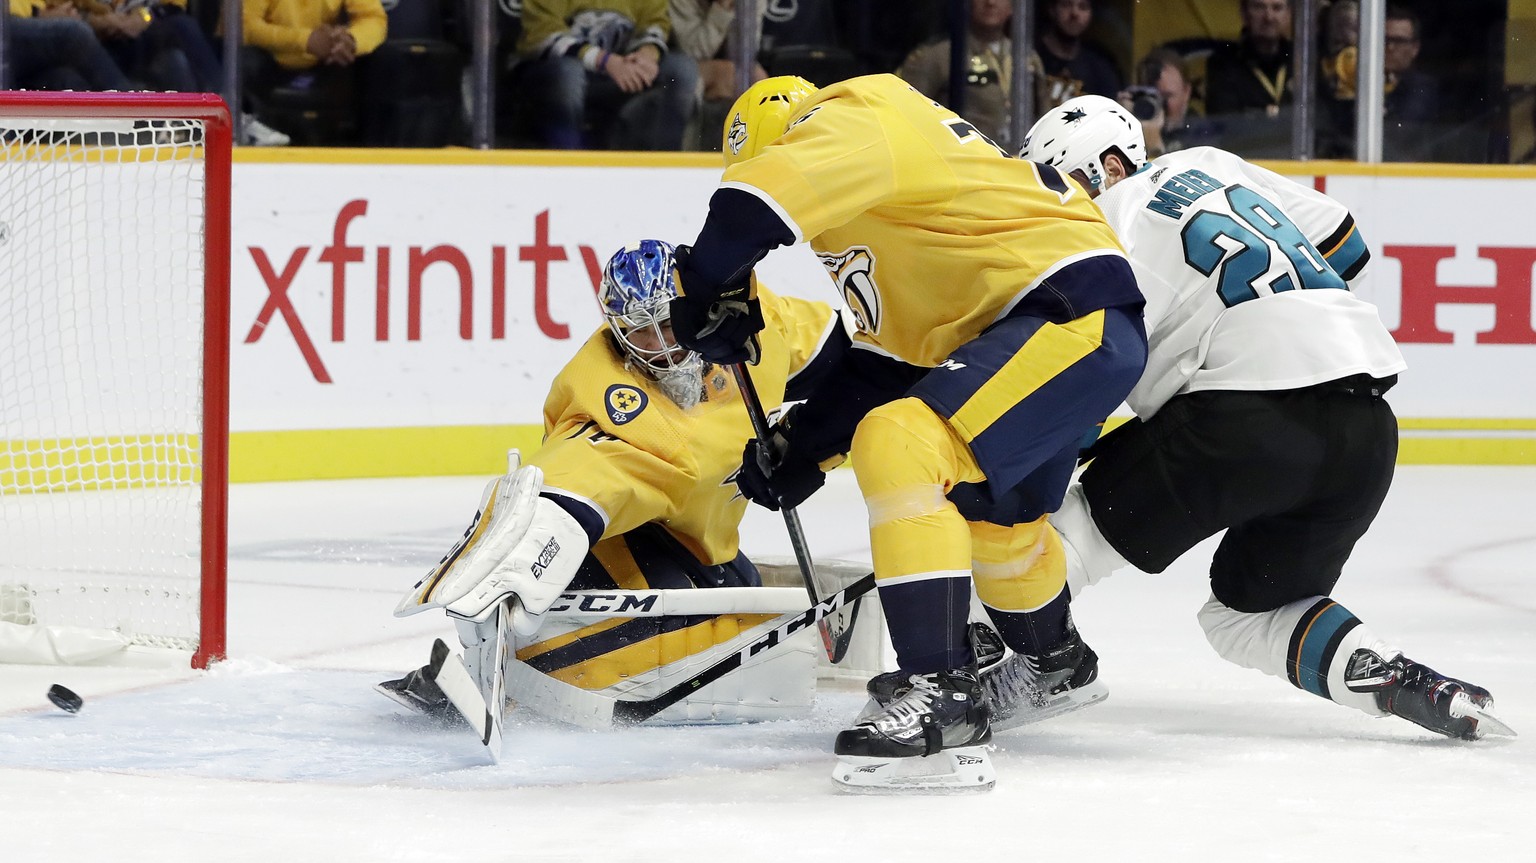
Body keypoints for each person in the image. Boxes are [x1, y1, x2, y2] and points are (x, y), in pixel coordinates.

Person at [669, 75, 1147, 789]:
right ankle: (1053, 661)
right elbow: (891, 364)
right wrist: (803, 448)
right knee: (994, 517)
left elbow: (752, 206)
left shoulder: (857, 114)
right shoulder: (897, 214)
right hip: (1056, 325)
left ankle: (940, 693)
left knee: (898, 442)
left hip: (1061, 311)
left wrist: (709, 283)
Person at [1019, 95, 1512, 741]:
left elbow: (1096, 366)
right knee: (1249, 613)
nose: (1058, 197)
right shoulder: (1209, 161)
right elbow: (1347, 243)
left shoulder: (1108, 219)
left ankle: (976, 666)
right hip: (1365, 428)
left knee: (1067, 533)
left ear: (1112, 162)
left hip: (1243, 422)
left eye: (1063, 177)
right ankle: (1404, 682)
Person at [382, 240, 850, 725]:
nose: (663, 345)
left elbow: (858, 363)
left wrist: (810, 442)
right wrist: (536, 538)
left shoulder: (759, 323)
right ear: (618, 333)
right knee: (659, 614)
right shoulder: (607, 394)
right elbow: (577, 474)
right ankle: (507, 675)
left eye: (669, 322)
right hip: (620, 537)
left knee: (741, 611)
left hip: (704, 541)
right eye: (641, 332)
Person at [511, 0, 699, 150]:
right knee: (568, 72)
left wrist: (647, 53)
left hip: (620, 73)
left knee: (681, 69)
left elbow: (655, 22)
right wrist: (604, 61)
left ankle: (659, 169)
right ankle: (567, 168)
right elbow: (540, 35)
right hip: (551, 77)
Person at [241, 0, 388, 145]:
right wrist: (306, 41)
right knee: (241, 56)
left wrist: (351, 40)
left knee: (384, 61)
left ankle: (377, 157)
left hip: (328, 57)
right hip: (268, 59)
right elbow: (244, 25)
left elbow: (373, 18)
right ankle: (249, 135)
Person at [896, 0, 1018, 149]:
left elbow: (1043, 114)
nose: (990, 2)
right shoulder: (938, 56)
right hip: (963, 157)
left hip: (1018, 160)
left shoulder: (1025, 56)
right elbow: (907, 115)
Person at [669, 0, 766, 150]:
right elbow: (694, 51)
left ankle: (756, 157)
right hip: (683, 61)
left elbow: (747, 51)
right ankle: (698, 159)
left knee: (760, 82)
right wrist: (722, 9)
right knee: (717, 77)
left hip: (728, 65)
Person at [5, 0, 131, 91]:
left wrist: (142, 14)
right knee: (74, 34)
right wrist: (38, 15)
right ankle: (136, 115)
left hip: (31, 22)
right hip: (8, 23)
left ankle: (125, 122)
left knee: (69, 81)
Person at [1123, 47, 1220, 157]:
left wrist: (1154, 145)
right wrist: (1120, 120)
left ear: (1186, 92)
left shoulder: (1203, 134)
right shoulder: (1128, 126)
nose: (1159, 104)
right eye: (1150, 96)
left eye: (1166, 96)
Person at [1205, 0, 1292, 119]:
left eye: (1277, 8)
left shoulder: (1304, 59)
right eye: (1259, 7)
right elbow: (1224, 122)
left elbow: (1321, 114)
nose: (1269, 17)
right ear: (1244, 14)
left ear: (1289, 14)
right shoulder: (1222, 63)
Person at [1035, 0, 1122, 108]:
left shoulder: (1100, 67)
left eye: (1083, 7)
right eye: (1066, 5)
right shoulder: (1032, 57)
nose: (1075, 13)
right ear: (1051, 10)